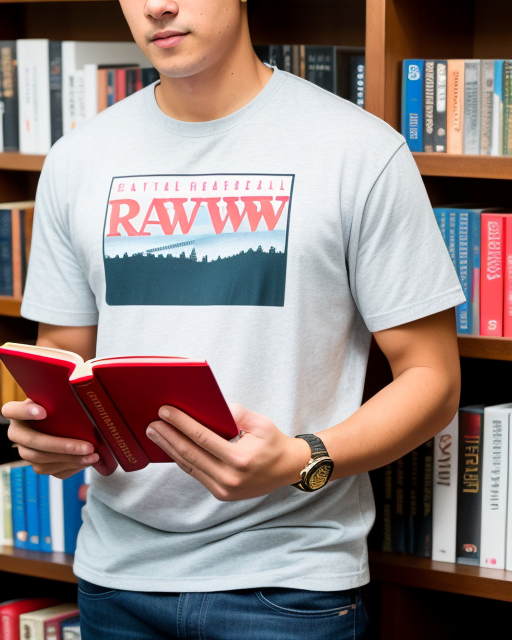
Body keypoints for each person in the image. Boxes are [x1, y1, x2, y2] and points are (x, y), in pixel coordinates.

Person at [2, 0, 465, 638]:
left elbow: (433, 380)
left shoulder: (360, 150)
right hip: (117, 581)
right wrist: (52, 440)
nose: (158, 5)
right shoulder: (77, 158)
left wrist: (305, 458)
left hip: (290, 587)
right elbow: (63, 357)